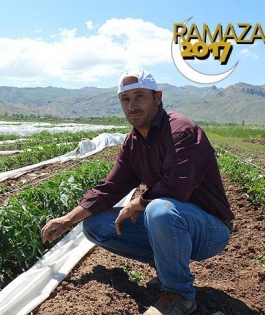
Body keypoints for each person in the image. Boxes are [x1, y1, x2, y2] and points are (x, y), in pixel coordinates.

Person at [40, 69, 234, 315]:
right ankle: (167, 269)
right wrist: (68, 219)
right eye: (126, 99)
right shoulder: (132, 143)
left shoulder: (180, 130)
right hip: (174, 223)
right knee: (95, 225)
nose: (132, 105)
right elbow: (110, 187)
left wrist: (137, 203)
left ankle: (180, 296)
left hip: (210, 229)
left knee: (159, 209)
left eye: (140, 96)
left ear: (158, 97)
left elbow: (178, 185)